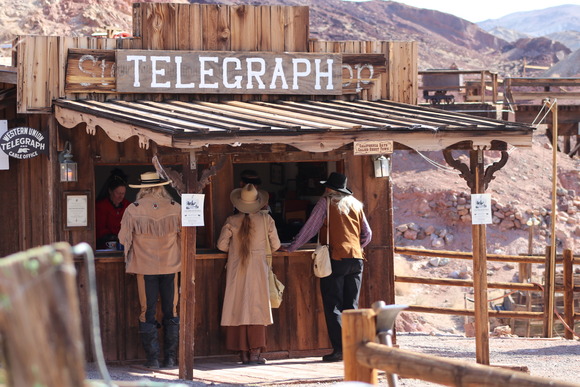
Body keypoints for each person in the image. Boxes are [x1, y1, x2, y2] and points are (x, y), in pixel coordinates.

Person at [279, 172, 372, 362]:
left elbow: (310, 228)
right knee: (351, 306)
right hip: (356, 259)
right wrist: (354, 247)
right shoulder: (356, 204)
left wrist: (292, 247)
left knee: (334, 306)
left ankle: (340, 350)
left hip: (335, 259)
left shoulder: (326, 203)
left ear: (329, 189)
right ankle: (355, 350)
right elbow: (367, 234)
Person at [118, 171, 181, 369]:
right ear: (162, 187)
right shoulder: (175, 208)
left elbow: (122, 239)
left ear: (143, 189)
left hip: (145, 268)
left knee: (148, 312)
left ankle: (152, 359)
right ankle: (170, 358)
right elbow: (186, 236)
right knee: (172, 310)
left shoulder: (134, 209)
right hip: (171, 266)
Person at [217, 183, 281, 365]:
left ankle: (243, 353)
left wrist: (235, 249)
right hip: (259, 269)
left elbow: (221, 245)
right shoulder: (266, 220)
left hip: (237, 269)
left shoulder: (231, 220)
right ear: (258, 203)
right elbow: (275, 245)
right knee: (257, 308)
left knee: (238, 308)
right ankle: (255, 353)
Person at [95, 170, 131, 249]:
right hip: (105, 246)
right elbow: (99, 230)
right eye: (118, 193)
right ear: (110, 191)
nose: (121, 196)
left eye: (123, 193)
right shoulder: (101, 206)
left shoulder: (128, 206)